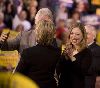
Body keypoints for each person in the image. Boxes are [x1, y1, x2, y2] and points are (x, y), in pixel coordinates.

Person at [15, 20, 61, 88]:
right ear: (52, 34)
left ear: (38, 33)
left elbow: (18, 75)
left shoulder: (28, 52)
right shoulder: (57, 52)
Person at [58, 22, 92, 88]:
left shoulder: (87, 52)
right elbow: (59, 68)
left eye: (77, 34)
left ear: (83, 36)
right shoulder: (66, 49)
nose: (74, 36)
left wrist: (71, 57)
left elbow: (82, 72)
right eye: (72, 33)